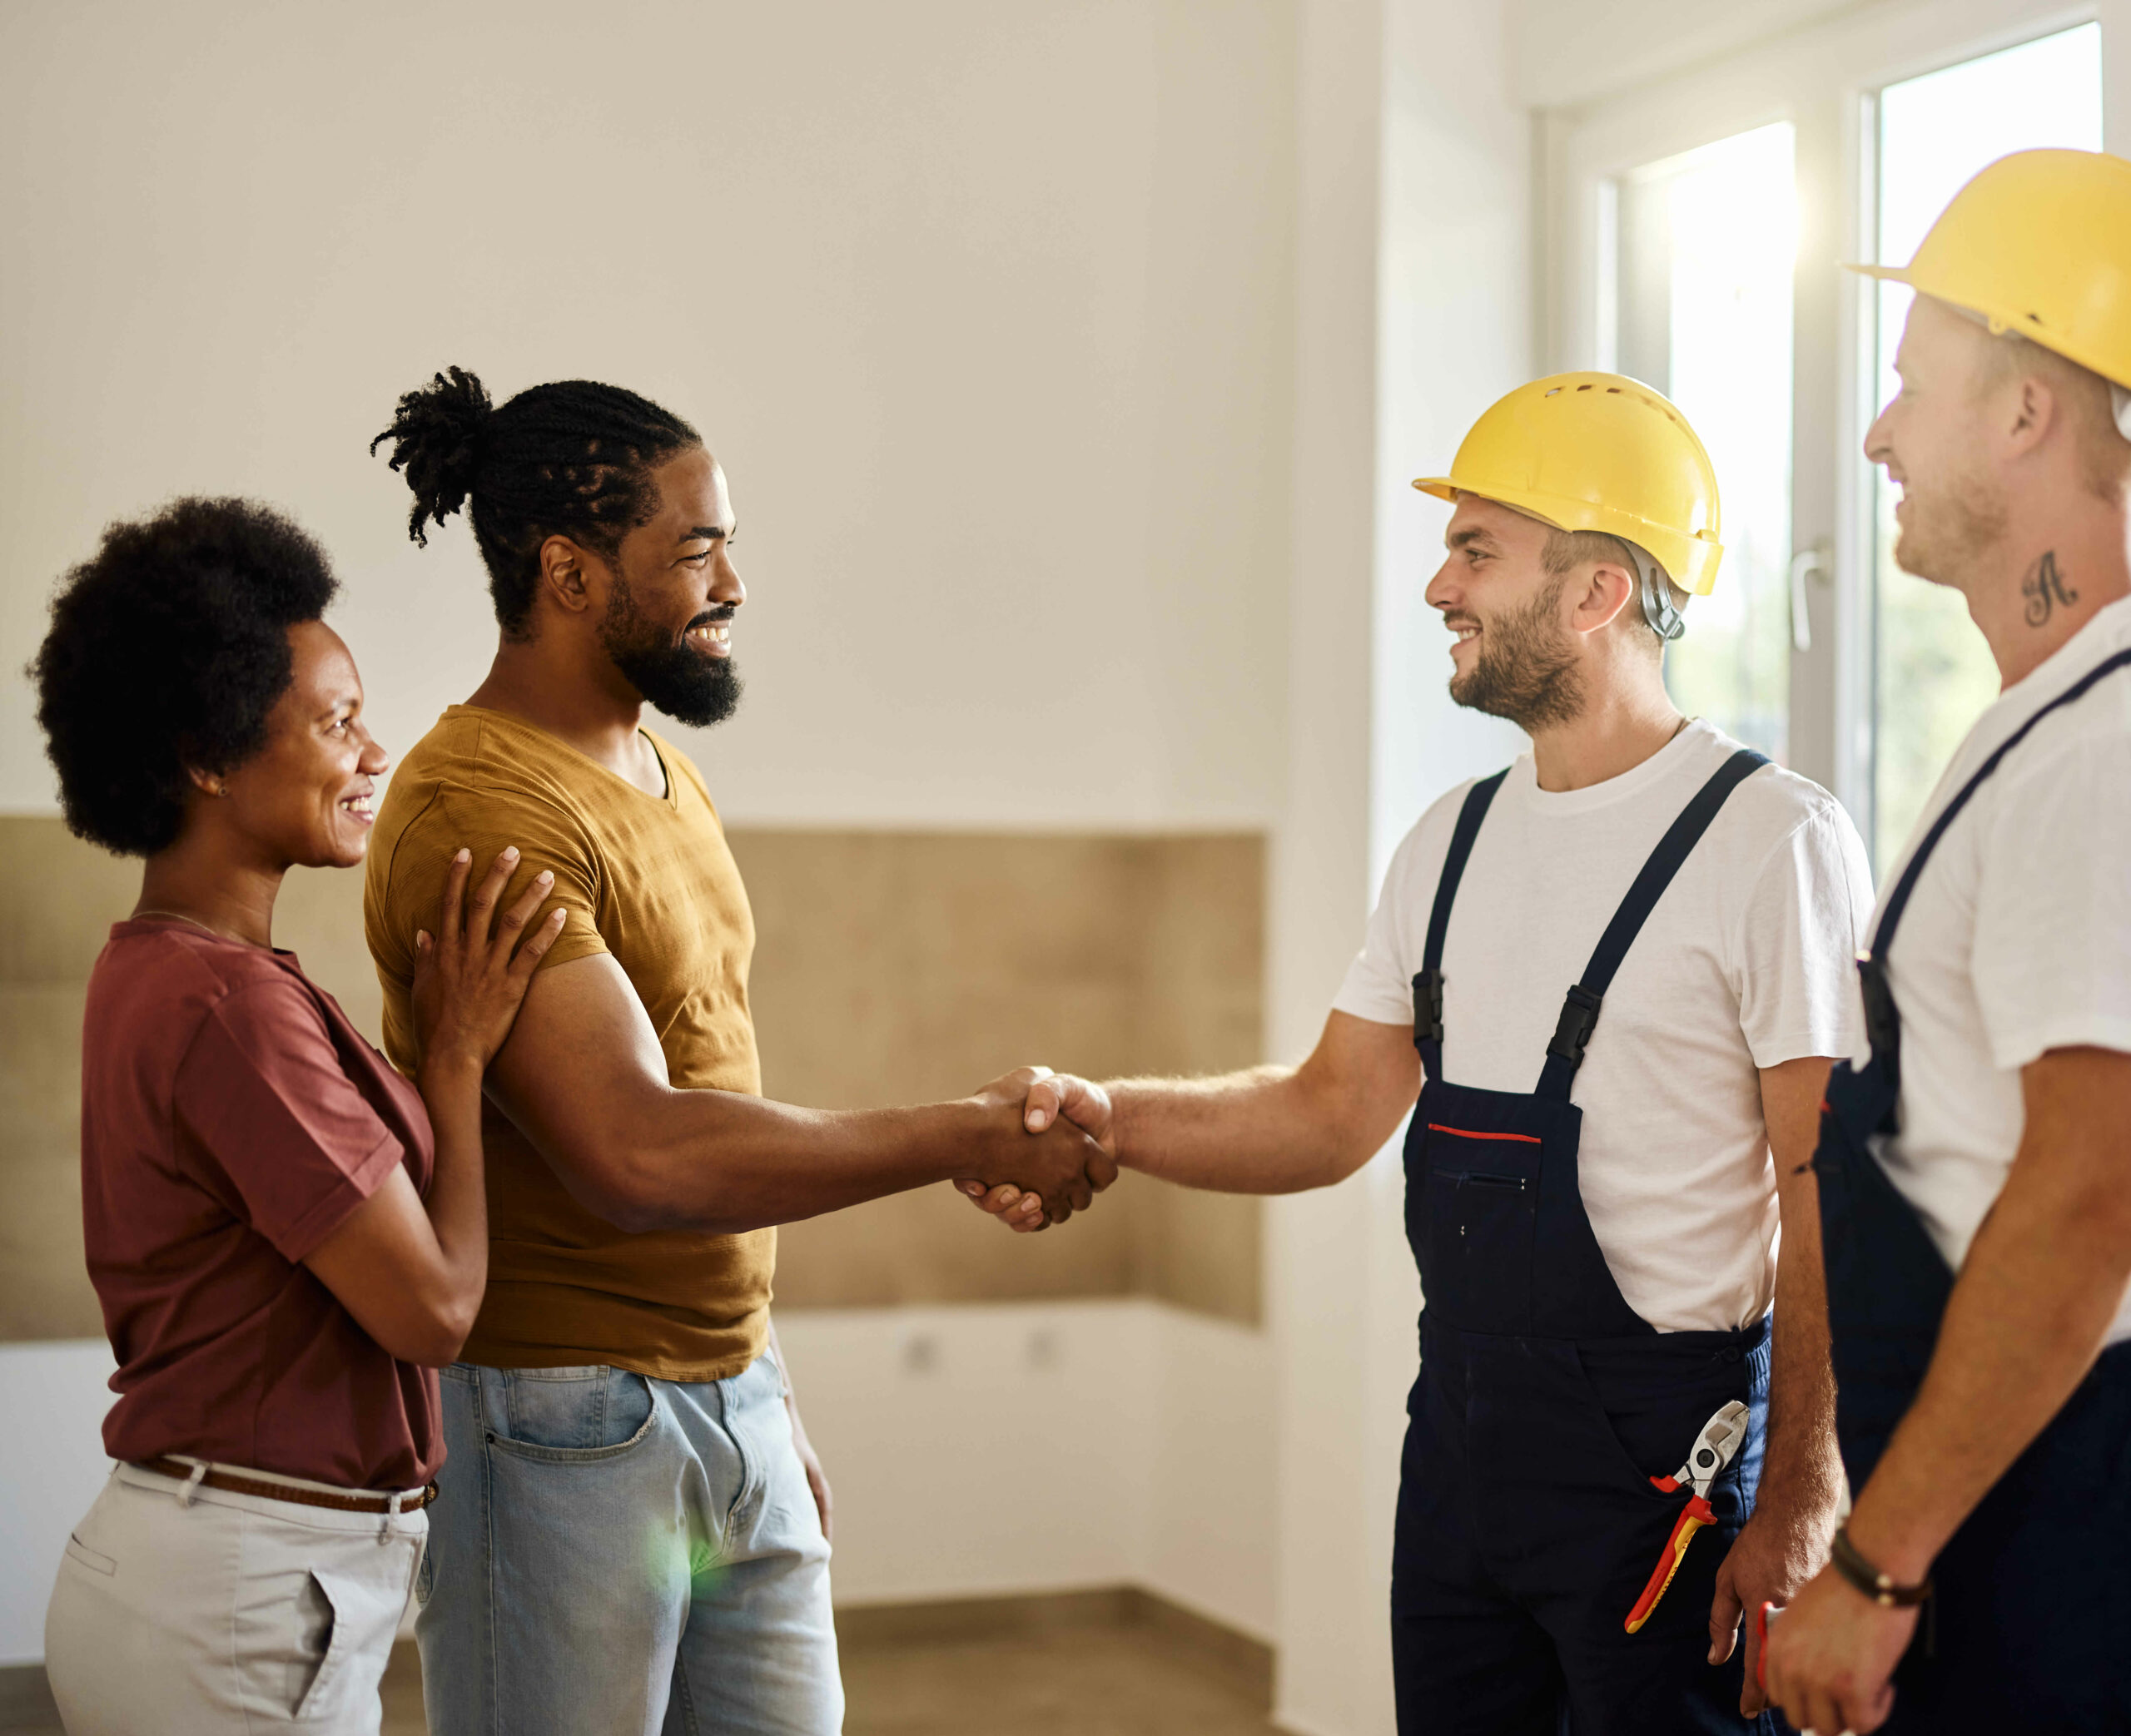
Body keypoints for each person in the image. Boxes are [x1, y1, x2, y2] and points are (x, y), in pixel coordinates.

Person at [968, 374, 1874, 1733]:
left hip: (1665, 1470)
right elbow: (1328, 1112)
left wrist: (1807, 1491)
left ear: (1596, 593)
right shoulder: (1449, 839)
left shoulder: (1771, 841)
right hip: (1458, 1449)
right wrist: (1108, 1118)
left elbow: (1821, 1188)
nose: (1440, 587)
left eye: (1477, 550)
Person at [363, 367, 1114, 1736]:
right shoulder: (480, 805)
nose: (736, 583)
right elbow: (638, 1153)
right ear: (571, 574)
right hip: (563, 1428)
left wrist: (762, 1390)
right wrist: (964, 1130)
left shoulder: (659, 770)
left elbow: (714, 1088)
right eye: (696, 547)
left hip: (729, 1404)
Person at [33, 497, 563, 1734]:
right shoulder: (228, 1006)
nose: (374, 750)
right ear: (206, 755)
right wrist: (460, 1059)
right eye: (336, 722)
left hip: (226, 1578)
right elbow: (433, 1310)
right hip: (240, 1600)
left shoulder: (173, 965)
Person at [1762, 148, 2131, 1736]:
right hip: (2019, 1488)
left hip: (2062, 1517)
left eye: (1911, 381)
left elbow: (2087, 1187)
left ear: (2028, 409)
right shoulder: (2048, 726)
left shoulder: (2101, 745)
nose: (1876, 432)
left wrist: (1879, 1569)